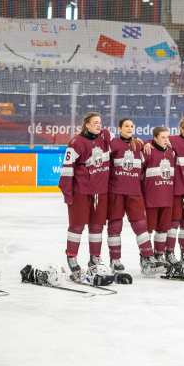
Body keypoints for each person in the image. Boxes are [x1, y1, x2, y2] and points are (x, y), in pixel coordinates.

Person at [143, 117, 184, 266]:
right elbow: (156, 142)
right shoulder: (172, 140)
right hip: (176, 189)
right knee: (173, 224)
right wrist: (146, 143)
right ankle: (169, 253)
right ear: (181, 129)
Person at [59, 113, 113, 280]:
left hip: (101, 192)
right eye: (95, 123)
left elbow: (122, 142)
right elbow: (67, 169)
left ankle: (94, 258)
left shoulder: (105, 136)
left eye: (100, 122)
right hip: (81, 192)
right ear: (87, 125)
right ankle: (72, 257)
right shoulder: (76, 142)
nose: (99, 125)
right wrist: (68, 194)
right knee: (77, 227)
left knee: (97, 227)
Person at [107, 117, 162, 273]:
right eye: (126, 126)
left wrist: (149, 142)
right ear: (119, 128)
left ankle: (148, 257)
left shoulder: (139, 144)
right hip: (116, 191)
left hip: (135, 192)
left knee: (141, 225)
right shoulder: (113, 144)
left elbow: (157, 144)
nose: (130, 128)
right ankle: (115, 260)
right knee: (115, 226)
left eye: (131, 126)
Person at [141, 126, 176, 274]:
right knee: (148, 230)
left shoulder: (172, 152)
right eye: (162, 137)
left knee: (163, 230)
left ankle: (159, 255)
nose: (166, 140)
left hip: (167, 197)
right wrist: (146, 142)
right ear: (154, 138)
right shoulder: (147, 151)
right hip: (151, 198)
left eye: (167, 137)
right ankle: (145, 257)